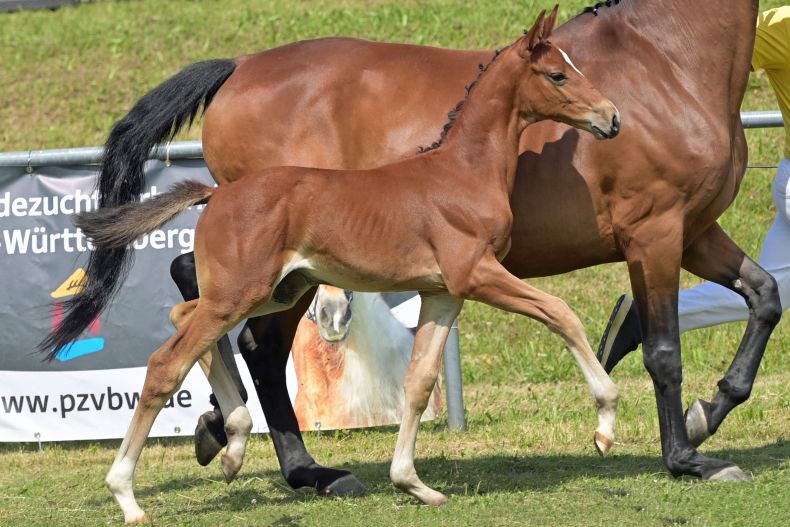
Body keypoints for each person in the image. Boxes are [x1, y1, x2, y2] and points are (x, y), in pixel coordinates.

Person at [597, 6, 790, 373]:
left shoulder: (778, 26)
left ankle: (641, 319)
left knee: (767, 290)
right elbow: (707, 56)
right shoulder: (780, 29)